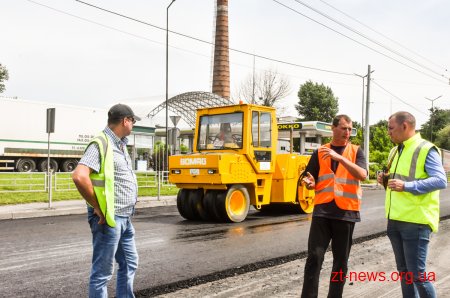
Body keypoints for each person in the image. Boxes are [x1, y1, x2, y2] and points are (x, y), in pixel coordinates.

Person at [72, 103, 141, 298]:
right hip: (108, 218)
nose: (133, 125)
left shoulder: (120, 143)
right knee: (102, 273)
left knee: (129, 262)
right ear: (125, 121)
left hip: (124, 217)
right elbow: (79, 176)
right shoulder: (101, 143)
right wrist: (97, 206)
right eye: (133, 121)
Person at [377, 111, 447, 298]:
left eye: (391, 128)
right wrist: (385, 180)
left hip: (415, 221)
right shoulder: (395, 151)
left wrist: (407, 186)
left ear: (405, 126)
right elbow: (396, 183)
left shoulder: (426, 148)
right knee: (405, 273)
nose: (388, 133)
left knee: (417, 275)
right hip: (395, 220)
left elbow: (441, 180)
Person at [300, 114, 367, 298]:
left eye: (350, 129)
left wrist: (340, 158)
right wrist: (309, 182)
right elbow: (309, 176)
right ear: (333, 128)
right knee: (314, 257)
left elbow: (363, 174)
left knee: (341, 262)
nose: (347, 132)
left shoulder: (355, 151)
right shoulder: (320, 151)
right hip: (322, 211)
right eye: (344, 128)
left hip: (346, 212)